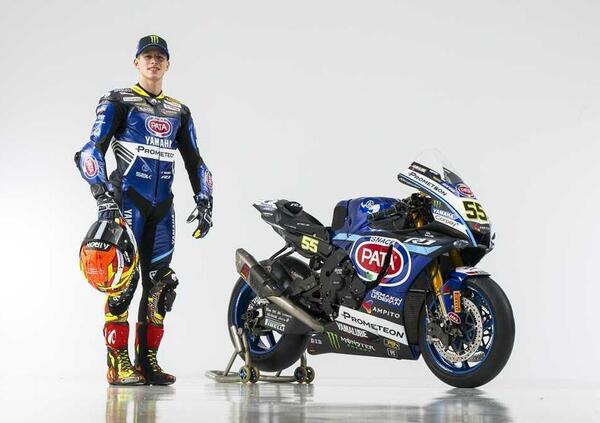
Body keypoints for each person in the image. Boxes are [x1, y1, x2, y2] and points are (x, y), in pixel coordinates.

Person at [75, 35, 213, 385]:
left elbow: (195, 161)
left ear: (168, 64)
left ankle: (148, 362)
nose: (153, 61)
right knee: (123, 282)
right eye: (147, 56)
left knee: (160, 286)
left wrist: (205, 200)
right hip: (125, 204)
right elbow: (90, 151)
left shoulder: (179, 111)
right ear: (136, 62)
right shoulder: (118, 101)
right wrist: (102, 196)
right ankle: (118, 363)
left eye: (159, 57)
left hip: (162, 208)